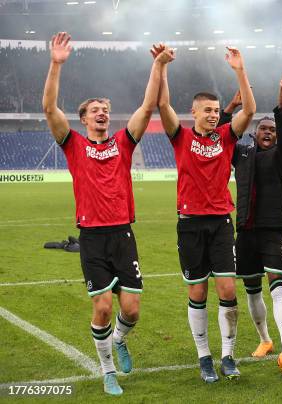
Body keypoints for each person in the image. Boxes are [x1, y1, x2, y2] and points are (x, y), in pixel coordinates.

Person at [42, 32, 172, 395]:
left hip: (122, 234)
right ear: (83, 118)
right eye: (94, 109)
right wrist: (56, 64)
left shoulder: (122, 143)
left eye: (105, 108)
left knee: (131, 311)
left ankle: (119, 339)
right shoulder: (74, 145)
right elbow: (50, 110)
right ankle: (108, 370)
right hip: (93, 237)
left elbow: (147, 108)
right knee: (101, 308)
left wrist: (157, 66)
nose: (102, 112)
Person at [155, 44, 256, 382]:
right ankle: (204, 357)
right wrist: (163, 67)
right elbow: (161, 104)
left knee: (227, 290)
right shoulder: (180, 137)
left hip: (221, 224)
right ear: (194, 112)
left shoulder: (226, 137)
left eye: (216, 110)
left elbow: (250, 111)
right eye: (208, 110)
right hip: (190, 226)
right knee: (197, 292)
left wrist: (240, 71)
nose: (214, 114)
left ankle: (228, 356)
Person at [233, 74, 282, 376]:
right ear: (254, 132)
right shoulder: (242, 154)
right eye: (263, 128)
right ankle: (265, 341)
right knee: (251, 291)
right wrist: (232, 107)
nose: (269, 133)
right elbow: (222, 137)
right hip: (245, 231)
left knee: (278, 290)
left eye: (273, 130)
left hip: (274, 231)